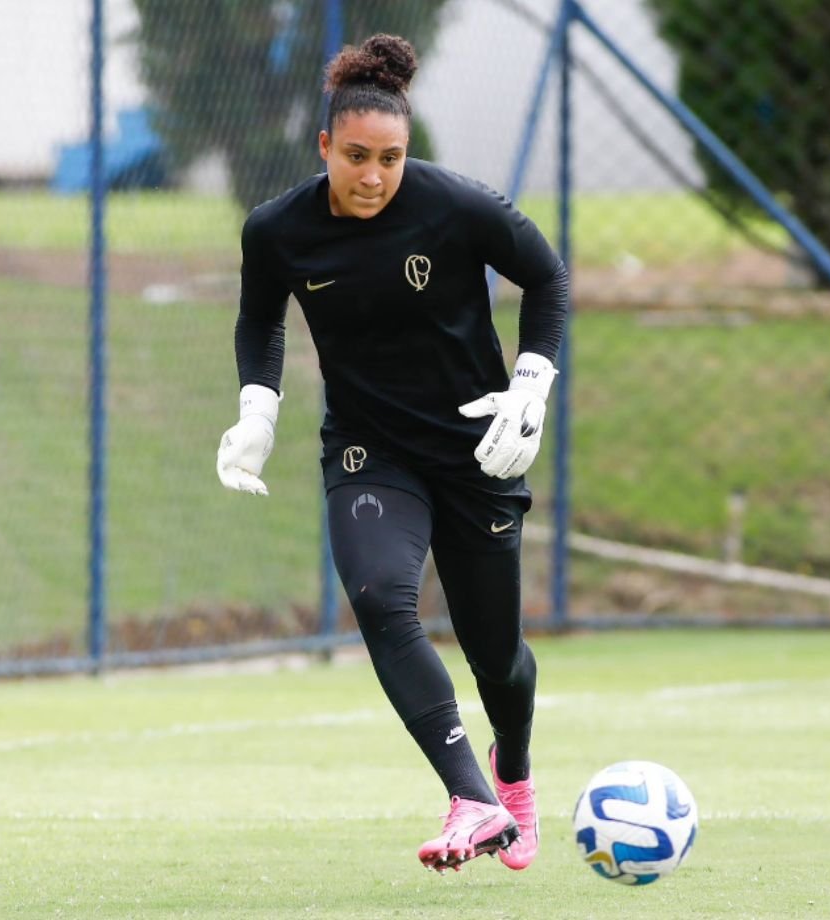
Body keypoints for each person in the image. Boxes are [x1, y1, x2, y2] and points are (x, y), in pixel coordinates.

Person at [214, 32, 567, 874]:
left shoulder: (453, 206)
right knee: (379, 598)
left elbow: (547, 277)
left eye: (392, 158)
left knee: (500, 662)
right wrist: (257, 407)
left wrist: (532, 385)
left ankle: (509, 773)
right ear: (326, 145)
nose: (373, 176)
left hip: (477, 452)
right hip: (371, 451)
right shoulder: (277, 230)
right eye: (358, 156)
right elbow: (260, 317)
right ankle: (471, 801)